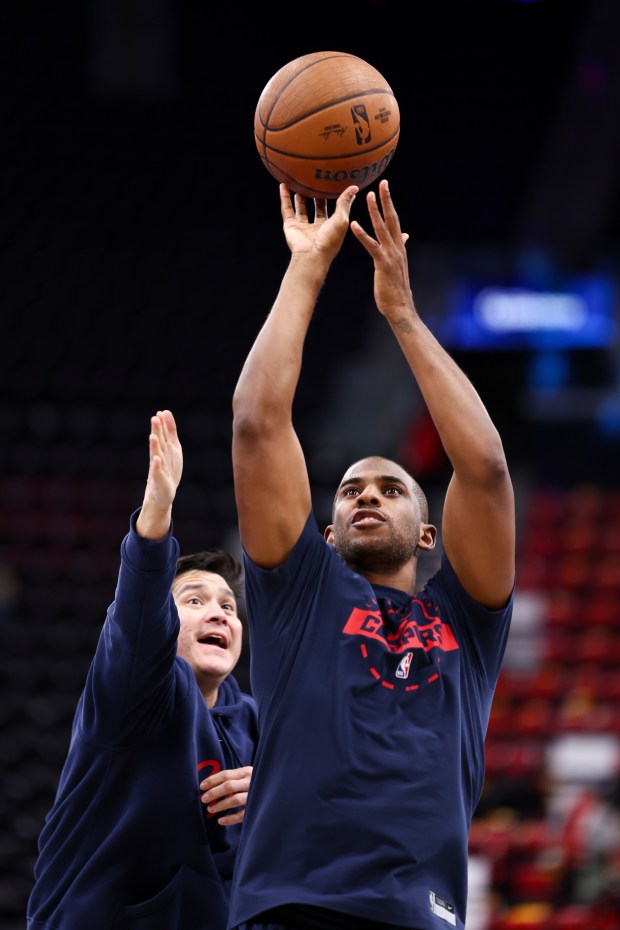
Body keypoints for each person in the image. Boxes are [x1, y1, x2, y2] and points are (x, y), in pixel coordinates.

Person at [228, 180, 516, 930]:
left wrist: (403, 315)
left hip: (421, 914)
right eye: (351, 490)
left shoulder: (467, 619)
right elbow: (258, 424)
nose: (365, 495)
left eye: (390, 489)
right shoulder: (301, 594)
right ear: (325, 535)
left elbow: (483, 468)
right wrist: (308, 268)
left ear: (430, 535)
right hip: (289, 907)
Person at [27, 410, 259, 930]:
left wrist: (275, 793)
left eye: (228, 605)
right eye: (194, 599)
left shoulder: (255, 720)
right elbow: (136, 620)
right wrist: (154, 520)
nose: (220, 611)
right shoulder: (136, 689)